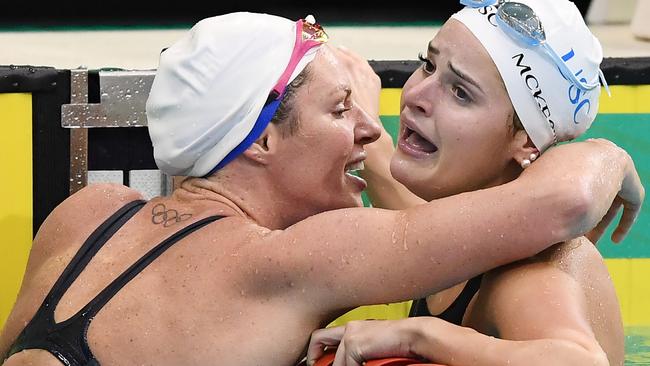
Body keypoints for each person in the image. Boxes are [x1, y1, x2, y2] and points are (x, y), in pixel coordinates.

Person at [0, 10, 643, 366]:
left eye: (459, 89)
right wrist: (605, 150)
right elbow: (552, 200)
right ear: (261, 142)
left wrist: (421, 336)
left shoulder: (87, 215)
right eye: (343, 111)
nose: (386, 116)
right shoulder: (294, 259)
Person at [305, 1, 642, 366]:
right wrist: (359, 126)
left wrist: (418, 336)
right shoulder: (474, 240)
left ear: (527, 141)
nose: (416, 96)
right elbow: (413, 228)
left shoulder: (530, 269)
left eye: (461, 92)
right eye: (428, 64)